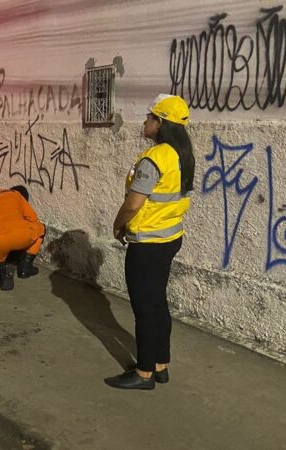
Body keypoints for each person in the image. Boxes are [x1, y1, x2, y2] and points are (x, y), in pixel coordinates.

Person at [104, 94, 195, 390]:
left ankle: (144, 373)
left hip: (148, 243)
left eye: (150, 117)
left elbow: (133, 204)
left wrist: (118, 225)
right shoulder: (183, 154)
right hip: (170, 237)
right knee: (157, 302)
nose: (145, 121)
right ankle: (160, 364)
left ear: (161, 123)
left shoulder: (154, 158)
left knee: (144, 308)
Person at [0, 185, 45, 290]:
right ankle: (25, 267)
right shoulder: (18, 195)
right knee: (41, 228)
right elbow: (34, 219)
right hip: (21, 234)